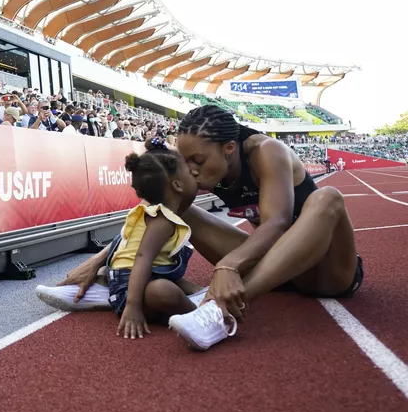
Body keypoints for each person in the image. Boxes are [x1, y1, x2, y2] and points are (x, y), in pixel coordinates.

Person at [49, 105, 363, 352]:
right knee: (179, 207)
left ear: (229, 148)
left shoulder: (267, 152)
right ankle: (120, 284)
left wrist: (229, 265)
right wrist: (98, 261)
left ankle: (217, 311)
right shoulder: (202, 166)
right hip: (275, 272)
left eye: (198, 160)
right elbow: (158, 209)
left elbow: (278, 222)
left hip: (326, 272)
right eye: (186, 161)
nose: (192, 169)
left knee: (328, 198)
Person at [37, 137, 207, 339]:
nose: (195, 173)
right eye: (189, 171)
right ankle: (199, 315)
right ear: (178, 185)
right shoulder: (162, 219)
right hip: (131, 289)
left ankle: (198, 296)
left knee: (164, 273)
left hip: (126, 280)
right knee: (162, 290)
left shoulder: (147, 211)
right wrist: (133, 306)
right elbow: (142, 259)